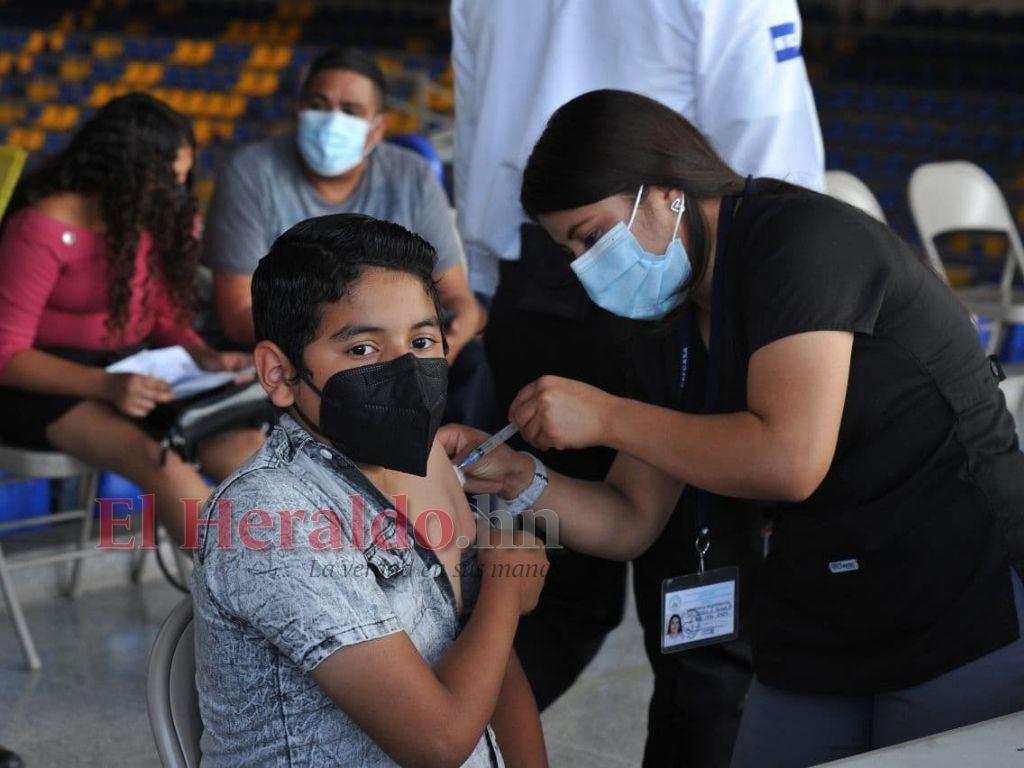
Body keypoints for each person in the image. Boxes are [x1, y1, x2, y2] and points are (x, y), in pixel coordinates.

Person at [441, 89, 1024, 768]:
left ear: (666, 191)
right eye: (571, 250)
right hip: (816, 612)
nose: (588, 268)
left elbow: (788, 458)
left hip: (955, 592)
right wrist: (520, 481)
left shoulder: (800, 243)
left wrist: (606, 415)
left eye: (594, 237)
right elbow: (630, 518)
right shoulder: (666, 316)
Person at [451, 1, 824, 761]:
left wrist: (488, 280)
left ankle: (435, 738)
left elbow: (473, 107)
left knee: (546, 594)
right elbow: (767, 137)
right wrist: (770, 307)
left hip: (541, 268)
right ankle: (437, 737)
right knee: (700, 613)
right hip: (670, 262)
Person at [192, 213, 548, 767]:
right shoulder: (268, 514)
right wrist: (507, 584)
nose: (407, 370)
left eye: (423, 340)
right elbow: (437, 743)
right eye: (362, 350)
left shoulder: (423, 461)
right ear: (279, 374)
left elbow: (491, 661)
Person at [0, 93, 263, 545]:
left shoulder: (133, 221)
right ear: (128, 173)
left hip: (128, 373)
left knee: (245, 448)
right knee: (157, 458)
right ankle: (244, 600)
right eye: (170, 181)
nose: (178, 196)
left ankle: (309, 579)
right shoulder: (40, 228)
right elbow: (7, 355)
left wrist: (202, 356)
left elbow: (155, 314)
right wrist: (107, 386)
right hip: (39, 388)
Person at [202, 48, 487, 395]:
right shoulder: (250, 173)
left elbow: (456, 296)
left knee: (477, 366)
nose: (332, 119)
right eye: (319, 105)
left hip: (397, 355)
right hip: (299, 363)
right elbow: (239, 314)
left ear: (377, 128)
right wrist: (345, 345)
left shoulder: (411, 176)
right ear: (299, 109)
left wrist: (458, 328)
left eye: (350, 111)